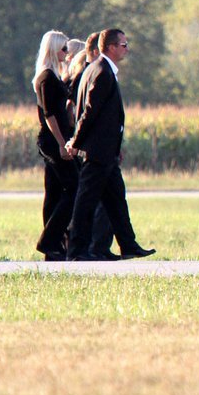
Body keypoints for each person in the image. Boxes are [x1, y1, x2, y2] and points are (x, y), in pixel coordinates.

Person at [64, 27, 155, 261]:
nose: (127, 49)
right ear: (111, 47)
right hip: (98, 151)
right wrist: (76, 141)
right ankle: (77, 251)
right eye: (123, 45)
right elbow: (89, 112)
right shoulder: (102, 72)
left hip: (106, 152)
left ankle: (128, 244)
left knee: (116, 199)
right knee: (85, 202)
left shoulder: (96, 68)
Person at [32, 30, 78, 261]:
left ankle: (54, 248)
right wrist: (62, 143)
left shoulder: (54, 76)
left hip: (55, 138)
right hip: (53, 140)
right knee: (73, 186)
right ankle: (49, 240)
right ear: (53, 50)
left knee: (53, 192)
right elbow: (50, 115)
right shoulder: (47, 78)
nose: (67, 53)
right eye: (63, 49)